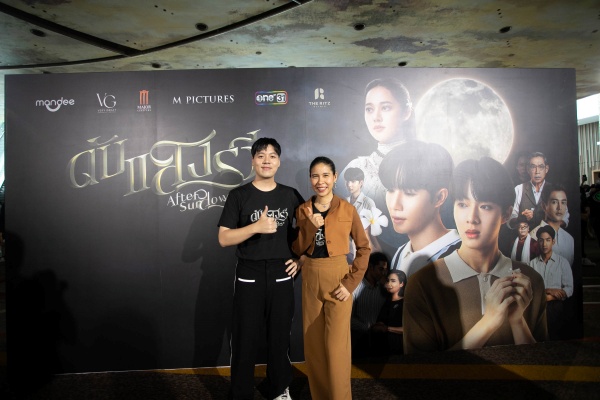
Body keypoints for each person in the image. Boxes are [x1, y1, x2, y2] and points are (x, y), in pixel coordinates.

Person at [404, 157, 548, 354]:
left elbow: (543, 365)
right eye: (462, 204)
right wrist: (488, 322)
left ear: (506, 214)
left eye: (485, 206)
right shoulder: (423, 284)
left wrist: (517, 322)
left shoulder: (530, 281)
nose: (471, 218)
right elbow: (420, 370)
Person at [217, 138, 303, 400]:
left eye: (272, 156)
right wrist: (255, 227)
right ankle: (241, 392)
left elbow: (306, 234)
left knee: (280, 337)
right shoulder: (239, 195)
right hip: (249, 273)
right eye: (261, 155)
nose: (267, 160)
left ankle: (279, 389)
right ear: (253, 160)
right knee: (244, 337)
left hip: (281, 272)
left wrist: (301, 260)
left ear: (279, 161)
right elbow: (224, 238)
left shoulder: (290, 195)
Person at [293, 156, 370, 400]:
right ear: (310, 179)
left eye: (326, 175)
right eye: (315, 176)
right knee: (314, 347)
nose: (321, 181)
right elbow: (298, 248)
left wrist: (350, 284)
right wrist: (310, 227)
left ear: (335, 178)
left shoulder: (347, 209)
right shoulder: (302, 210)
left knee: (337, 349)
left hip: (338, 279)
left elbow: (364, 248)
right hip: (310, 277)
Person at [380, 140, 461, 277]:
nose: (395, 205)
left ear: (439, 197)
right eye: (390, 190)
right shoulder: (401, 253)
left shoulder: (463, 256)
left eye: (409, 193)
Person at [340, 78, 415, 212]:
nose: (376, 117)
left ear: (406, 112)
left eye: (385, 108)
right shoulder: (356, 168)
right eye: (369, 109)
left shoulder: (427, 163)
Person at [529, 225, 574, 340]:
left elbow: (569, 289)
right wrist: (550, 290)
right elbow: (530, 289)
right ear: (537, 242)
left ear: (553, 242)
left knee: (555, 337)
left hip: (555, 306)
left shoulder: (562, 262)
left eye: (548, 240)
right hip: (537, 306)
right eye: (541, 240)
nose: (544, 244)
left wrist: (550, 297)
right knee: (538, 339)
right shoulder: (532, 264)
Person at [508, 152, 569, 230]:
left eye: (541, 167)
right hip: (526, 237)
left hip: (549, 237)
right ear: (528, 169)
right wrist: (521, 218)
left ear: (546, 169)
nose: (537, 172)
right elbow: (510, 220)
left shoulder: (554, 190)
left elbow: (565, 219)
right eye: (533, 167)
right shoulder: (519, 189)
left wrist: (549, 224)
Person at [350, 252, 388, 358]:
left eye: (385, 270)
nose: (383, 273)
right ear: (371, 267)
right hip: (358, 340)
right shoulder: (356, 287)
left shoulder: (383, 289)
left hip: (380, 342)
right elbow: (348, 318)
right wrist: (369, 327)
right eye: (381, 269)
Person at [530, 184, 574, 266]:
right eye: (554, 202)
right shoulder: (533, 237)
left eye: (563, 202)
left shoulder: (569, 239)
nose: (559, 207)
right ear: (544, 206)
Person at [344, 167, 381, 256]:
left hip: (362, 246)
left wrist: (378, 249)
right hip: (346, 246)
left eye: (353, 181)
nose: (349, 184)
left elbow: (373, 229)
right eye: (347, 181)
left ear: (361, 183)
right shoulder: (344, 201)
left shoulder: (368, 202)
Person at [371, 270, 407, 355]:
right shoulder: (387, 301)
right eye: (388, 280)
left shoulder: (406, 303)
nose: (389, 284)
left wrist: (387, 328)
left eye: (393, 281)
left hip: (399, 347)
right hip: (383, 347)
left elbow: (409, 329)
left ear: (401, 284)